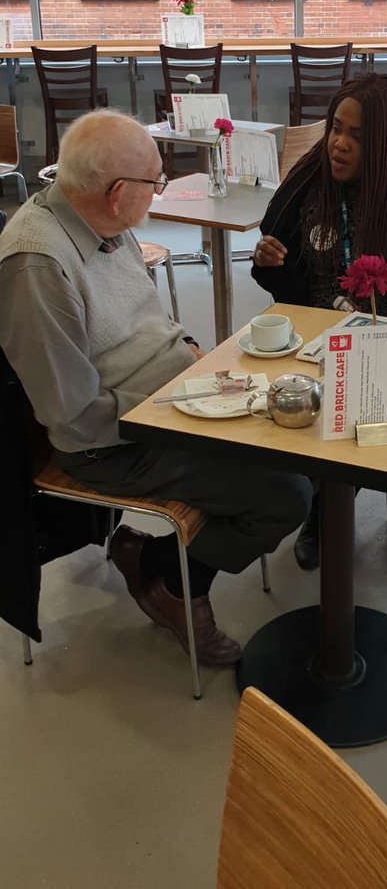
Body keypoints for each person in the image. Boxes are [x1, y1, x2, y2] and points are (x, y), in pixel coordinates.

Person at [0, 110, 311, 666]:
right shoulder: (37, 263)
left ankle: (149, 558)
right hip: (110, 444)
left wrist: (191, 356)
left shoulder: (100, 220)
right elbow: (69, 412)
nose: (159, 191)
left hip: (168, 400)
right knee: (285, 494)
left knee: (301, 443)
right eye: (155, 182)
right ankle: (167, 579)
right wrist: (173, 405)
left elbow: (142, 321)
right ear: (118, 192)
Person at [251, 73, 387, 574]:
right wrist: (274, 264)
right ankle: (321, 507)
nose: (338, 143)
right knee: (305, 411)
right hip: (320, 344)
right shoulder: (310, 184)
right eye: (336, 127)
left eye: (357, 135)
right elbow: (286, 284)